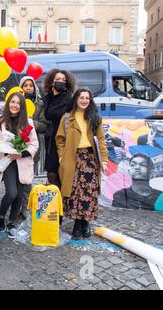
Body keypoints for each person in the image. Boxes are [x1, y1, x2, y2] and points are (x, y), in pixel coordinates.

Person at [56, 88, 108, 239]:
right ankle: (77, 224)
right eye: (82, 97)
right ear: (76, 99)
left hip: (90, 159)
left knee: (89, 193)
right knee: (74, 193)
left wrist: (103, 160)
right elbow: (60, 139)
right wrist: (61, 157)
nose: (84, 100)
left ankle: (85, 223)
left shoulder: (95, 118)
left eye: (87, 98)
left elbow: (102, 140)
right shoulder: (67, 118)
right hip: (73, 158)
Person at [0, 92, 39, 234]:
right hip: (7, 163)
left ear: (22, 106)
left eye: (18, 103)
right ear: (8, 103)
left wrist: (21, 153)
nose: (15, 105)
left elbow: (34, 145)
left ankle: (11, 221)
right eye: (12, 102)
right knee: (11, 193)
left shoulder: (28, 123)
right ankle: (1, 217)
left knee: (19, 195)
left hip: (22, 161)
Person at [42, 69, 77, 188]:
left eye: (63, 80)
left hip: (64, 139)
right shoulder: (47, 99)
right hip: (51, 140)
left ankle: (63, 202)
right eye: (57, 79)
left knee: (62, 173)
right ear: (52, 82)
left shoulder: (70, 99)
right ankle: (56, 201)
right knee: (51, 174)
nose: (60, 82)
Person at [19, 75, 49, 177]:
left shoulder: (40, 104)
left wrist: (31, 123)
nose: (28, 88)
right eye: (25, 85)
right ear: (21, 88)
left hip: (34, 141)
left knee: (31, 172)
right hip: (18, 141)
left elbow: (44, 125)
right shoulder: (16, 102)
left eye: (31, 85)